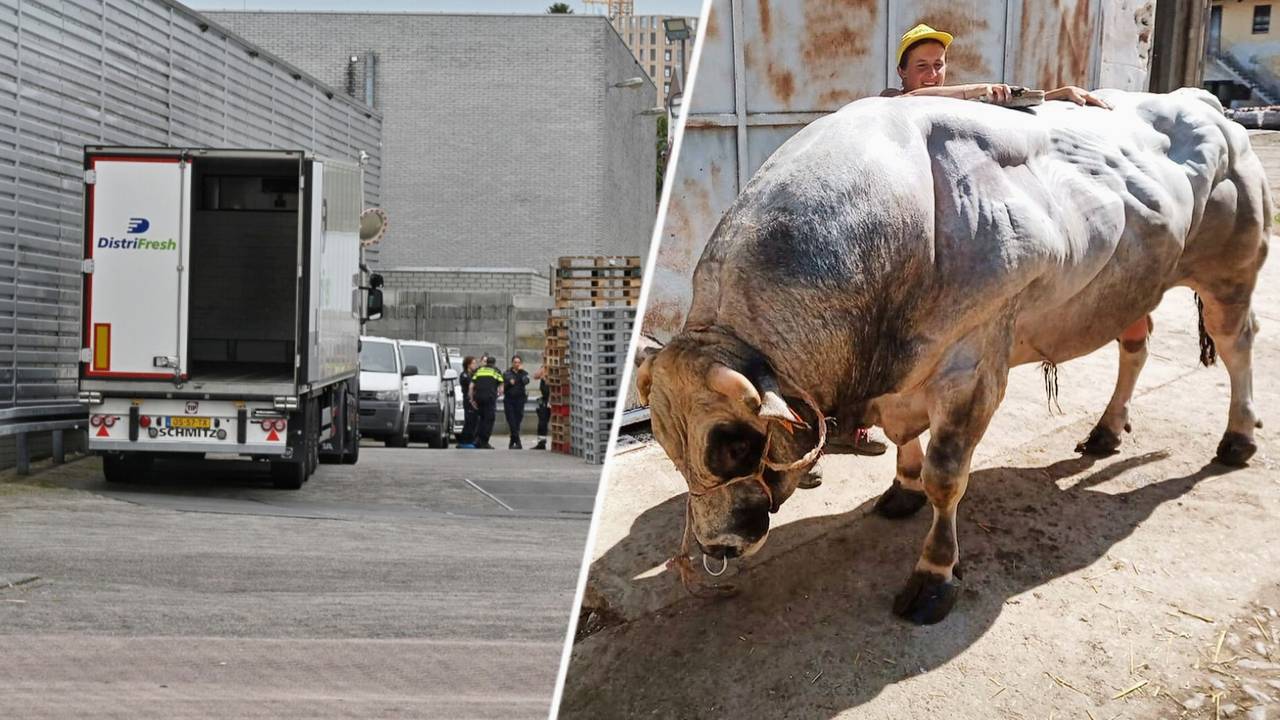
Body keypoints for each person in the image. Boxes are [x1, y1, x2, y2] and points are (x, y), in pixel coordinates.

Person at [884, 23, 1109, 109]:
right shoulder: (889, 99)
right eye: (921, 65)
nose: (932, 73)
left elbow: (1002, 108)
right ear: (901, 71)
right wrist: (975, 90)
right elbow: (907, 100)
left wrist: (1060, 94)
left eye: (938, 64)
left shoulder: (952, 102)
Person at [469, 355, 504, 450]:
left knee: (481, 419)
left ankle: (477, 440)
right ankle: (484, 442)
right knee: (489, 420)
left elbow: (471, 386)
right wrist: (498, 395)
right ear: (494, 363)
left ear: (487, 362)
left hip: (478, 399)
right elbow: (501, 386)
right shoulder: (495, 371)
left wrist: (472, 400)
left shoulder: (479, 371)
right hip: (489, 398)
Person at [503, 355, 530, 449]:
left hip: (520, 400)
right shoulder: (507, 373)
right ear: (512, 363)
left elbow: (526, 381)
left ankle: (512, 440)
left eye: (518, 362)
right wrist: (510, 383)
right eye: (515, 362)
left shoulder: (524, 373)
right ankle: (518, 442)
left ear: (521, 363)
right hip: (509, 400)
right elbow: (507, 385)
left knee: (518, 420)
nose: (517, 364)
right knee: (511, 420)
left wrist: (520, 372)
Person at [456, 356, 478, 449]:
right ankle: (464, 441)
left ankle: (471, 440)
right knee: (469, 421)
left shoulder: (473, 374)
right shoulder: (464, 375)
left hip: (474, 400)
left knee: (474, 421)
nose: (475, 365)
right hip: (468, 400)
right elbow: (470, 384)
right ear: (468, 365)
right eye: (473, 363)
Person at [532, 366, 551, 451]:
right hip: (544, 399)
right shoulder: (544, 367)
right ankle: (541, 443)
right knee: (542, 422)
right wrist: (543, 370)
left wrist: (545, 377)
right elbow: (535, 376)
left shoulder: (555, 368)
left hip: (553, 399)